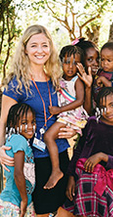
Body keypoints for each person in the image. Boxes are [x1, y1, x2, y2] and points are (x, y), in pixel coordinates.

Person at [0, 25, 76, 217]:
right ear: (25, 49)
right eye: (34, 45)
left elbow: (70, 111)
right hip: (35, 158)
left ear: (50, 48)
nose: (40, 50)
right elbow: (3, 120)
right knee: (40, 213)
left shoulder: (57, 78)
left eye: (44, 45)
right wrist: (0, 148)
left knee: (67, 211)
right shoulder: (17, 83)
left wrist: (73, 131)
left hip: (60, 153)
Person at [57, 87, 113, 217]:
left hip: (104, 185)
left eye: (112, 105)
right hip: (82, 180)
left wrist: (102, 156)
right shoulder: (93, 123)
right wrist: (71, 177)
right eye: (103, 107)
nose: (108, 111)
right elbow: (79, 150)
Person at [43, 45, 89, 190]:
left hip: (71, 115)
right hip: (64, 115)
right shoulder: (58, 78)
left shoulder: (77, 80)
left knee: (48, 136)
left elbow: (80, 101)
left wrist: (59, 110)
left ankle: (56, 170)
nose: (70, 66)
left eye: (75, 63)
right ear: (60, 62)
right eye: (67, 62)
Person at [0, 103, 36, 217]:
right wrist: (24, 200)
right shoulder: (19, 140)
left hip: (21, 200)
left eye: (33, 122)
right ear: (12, 124)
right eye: (24, 123)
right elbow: (18, 173)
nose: (30, 127)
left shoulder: (21, 140)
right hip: (14, 202)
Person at [73, 38, 100, 115]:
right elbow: (86, 114)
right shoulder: (74, 82)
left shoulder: (100, 79)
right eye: (90, 59)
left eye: (97, 59)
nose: (96, 63)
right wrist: (88, 87)